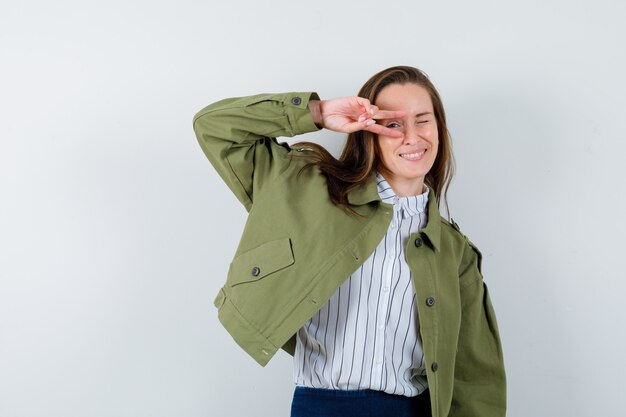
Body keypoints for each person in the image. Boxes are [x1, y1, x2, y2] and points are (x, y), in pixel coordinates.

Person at [192, 66, 506, 417]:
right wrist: (319, 113)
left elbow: (475, 378)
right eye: (392, 123)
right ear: (366, 131)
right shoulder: (305, 187)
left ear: (439, 128)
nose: (412, 137)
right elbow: (213, 127)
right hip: (321, 406)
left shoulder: (454, 251)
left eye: (423, 120)